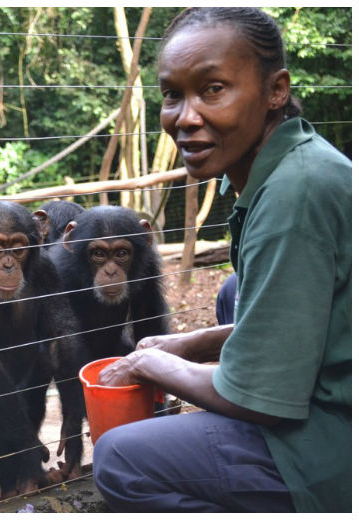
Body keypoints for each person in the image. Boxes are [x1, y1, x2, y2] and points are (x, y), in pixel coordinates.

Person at [92, 7, 350, 513]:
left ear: (276, 90)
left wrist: (152, 362)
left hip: (336, 442)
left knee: (121, 458)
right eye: (172, 93)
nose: (185, 117)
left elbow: (255, 397)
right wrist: (188, 343)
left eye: (213, 89)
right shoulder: (293, 163)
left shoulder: (293, 196)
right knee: (235, 294)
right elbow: (296, 326)